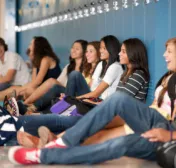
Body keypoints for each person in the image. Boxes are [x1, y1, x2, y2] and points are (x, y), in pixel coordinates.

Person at [8, 37, 176, 165]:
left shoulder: (131, 72)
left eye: (169, 51)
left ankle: (43, 147)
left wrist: (170, 134)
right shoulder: (168, 77)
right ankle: (51, 137)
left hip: (153, 122)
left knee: (111, 140)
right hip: (148, 118)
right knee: (97, 121)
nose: (164, 55)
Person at [17, 38, 150, 148]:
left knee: (70, 118)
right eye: (120, 51)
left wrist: (79, 100)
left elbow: (119, 101)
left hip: (116, 114)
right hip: (108, 109)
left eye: (123, 52)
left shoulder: (137, 75)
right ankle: (36, 128)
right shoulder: (126, 73)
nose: (120, 54)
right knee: (69, 117)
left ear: (133, 54)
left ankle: (35, 128)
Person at [0, 36, 61, 101]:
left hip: (51, 89)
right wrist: (22, 89)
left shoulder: (46, 59)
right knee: (17, 90)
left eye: (31, 44)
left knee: (19, 90)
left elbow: (38, 81)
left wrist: (21, 89)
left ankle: (21, 104)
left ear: (38, 46)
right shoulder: (36, 62)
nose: (29, 46)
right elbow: (33, 81)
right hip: (41, 88)